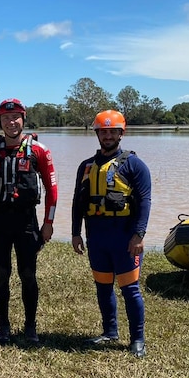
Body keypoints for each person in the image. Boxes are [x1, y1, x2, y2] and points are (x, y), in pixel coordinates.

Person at [0, 98, 58, 346]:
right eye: (6, 118)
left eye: (16, 117)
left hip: (27, 221)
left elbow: (52, 190)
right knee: (1, 275)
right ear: (0, 121)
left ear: (23, 120)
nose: (11, 122)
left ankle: (30, 327)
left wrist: (48, 223)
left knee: (28, 275)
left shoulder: (39, 151)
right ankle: (3, 326)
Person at [70, 110, 151, 358]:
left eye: (112, 131)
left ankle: (138, 339)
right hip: (97, 237)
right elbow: (77, 202)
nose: (107, 135)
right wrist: (75, 233)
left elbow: (145, 201)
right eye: (103, 131)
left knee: (130, 289)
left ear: (120, 133)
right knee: (103, 287)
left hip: (124, 237)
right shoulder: (85, 167)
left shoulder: (135, 165)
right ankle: (110, 332)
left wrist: (138, 235)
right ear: (97, 133)